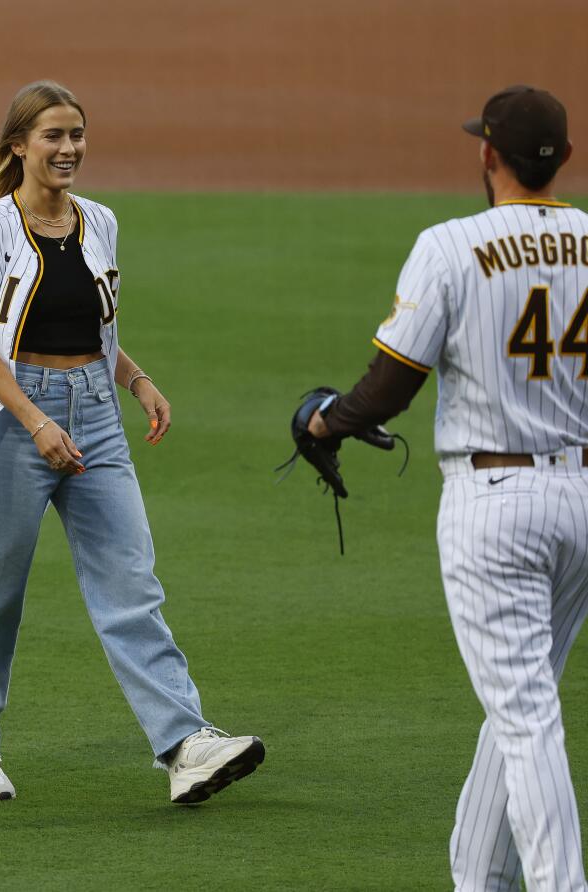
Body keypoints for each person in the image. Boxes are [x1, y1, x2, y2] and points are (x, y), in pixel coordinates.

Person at [0, 81, 265, 804]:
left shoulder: (99, 221)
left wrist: (137, 381)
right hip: (14, 416)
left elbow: (97, 331)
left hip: (97, 414)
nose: (69, 149)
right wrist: (37, 422)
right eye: (53, 136)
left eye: (76, 135)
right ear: (19, 146)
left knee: (130, 581)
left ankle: (184, 743)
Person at [306, 86, 587, 890]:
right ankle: (477, 877)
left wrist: (325, 424)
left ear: (487, 154)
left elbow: (390, 386)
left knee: (527, 713)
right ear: (563, 158)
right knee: (521, 696)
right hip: (583, 499)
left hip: (494, 506)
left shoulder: (451, 245)